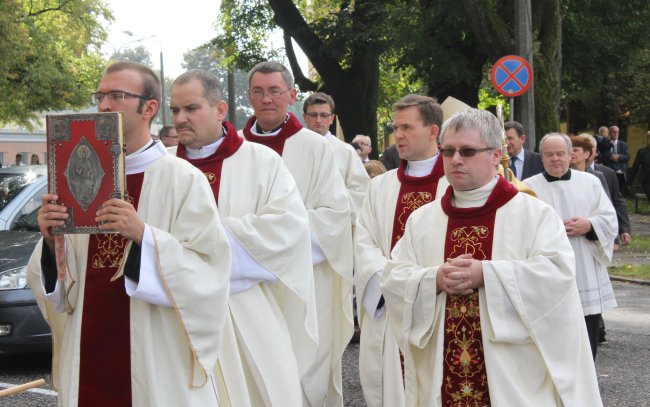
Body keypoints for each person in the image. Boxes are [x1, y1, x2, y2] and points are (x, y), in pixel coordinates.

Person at [27, 61, 231, 406]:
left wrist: (144, 236)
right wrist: (51, 241)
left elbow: (209, 268)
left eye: (117, 96)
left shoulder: (180, 177)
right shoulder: (77, 175)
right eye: (101, 96)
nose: (104, 106)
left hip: (154, 352)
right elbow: (64, 288)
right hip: (89, 344)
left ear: (149, 108)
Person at [381, 109, 602, 406]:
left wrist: (487, 274)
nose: (456, 159)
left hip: (511, 376)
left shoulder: (533, 214)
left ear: (496, 155)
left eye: (468, 151)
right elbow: (395, 276)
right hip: (443, 375)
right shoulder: (422, 220)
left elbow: (557, 276)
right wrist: (434, 278)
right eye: (448, 151)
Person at [170, 69, 317, 406]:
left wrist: (199, 243)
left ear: (220, 110)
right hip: (176, 318)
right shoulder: (161, 167)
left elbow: (288, 229)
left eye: (191, 108)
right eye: (175, 110)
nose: (181, 119)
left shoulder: (261, 161)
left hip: (245, 312)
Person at [241, 60, 352, 406]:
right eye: (258, 92)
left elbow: (335, 217)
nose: (266, 99)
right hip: (243, 281)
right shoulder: (233, 149)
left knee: (299, 373)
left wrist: (273, 237)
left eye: (275, 91)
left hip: (302, 283)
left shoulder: (315, 147)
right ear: (249, 97)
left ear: (291, 95)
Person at [355, 94, 449, 407]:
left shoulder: (453, 184)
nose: (399, 135)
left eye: (407, 127)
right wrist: (392, 284)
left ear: (433, 131)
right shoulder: (380, 187)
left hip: (438, 309)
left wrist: (423, 286)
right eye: (396, 127)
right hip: (389, 309)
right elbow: (363, 241)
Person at [526, 133, 617, 359]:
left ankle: (588, 385)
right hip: (548, 269)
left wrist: (589, 224)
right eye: (549, 154)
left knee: (587, 333)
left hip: (585, 264)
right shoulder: (528, 188)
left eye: (560, 154)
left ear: (570, 155)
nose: (555, 159)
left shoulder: (590, 182)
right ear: (542, 158)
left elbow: (608, 217)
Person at [303, 92, 369, 222]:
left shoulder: (346, 152)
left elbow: (360, 193)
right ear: (304, 117)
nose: (318, 120)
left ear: (332, 118)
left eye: (324, 115)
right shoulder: (294, 147)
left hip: (335, 226)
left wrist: (332, 204)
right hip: (298, 224)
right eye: (313, 115)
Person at [606, 125, 629, 196]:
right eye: (614, 132)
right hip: (608, 170)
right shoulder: (605, 143)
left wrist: (619, 156)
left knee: (619, 192)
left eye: (617, 132)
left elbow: (627, 156)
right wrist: (610, 157)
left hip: (620, 171)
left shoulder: (623, 144)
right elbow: (601, 155)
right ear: (610, 133)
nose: (616, 134)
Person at [628, 131, 650, 201]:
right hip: (647, 181)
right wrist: (629, 182)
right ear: (647, 139)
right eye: (649, 138)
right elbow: (635, 167)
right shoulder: (642, 152)